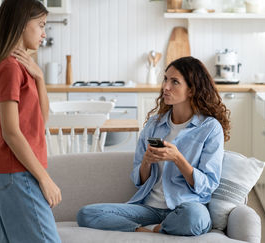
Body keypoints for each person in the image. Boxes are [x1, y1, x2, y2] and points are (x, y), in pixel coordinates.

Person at [77, 56, 230, 236]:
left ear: (191, 90)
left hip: (186, 207)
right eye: (165, 79)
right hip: (149, 208)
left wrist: (178, 159)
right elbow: (138, 180)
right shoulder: (154, 124)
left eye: (175, 82)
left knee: (195, 218)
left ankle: (159, 228)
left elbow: (209, 185)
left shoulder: (210, 128)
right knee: (86, 213)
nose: (165, 87)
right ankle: (144, 231)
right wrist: (146, 163)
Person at [0, 0, 61, 243]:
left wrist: (39, 78)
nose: (43, 33)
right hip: (17, 171)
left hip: (12, 171)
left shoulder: (18, 68)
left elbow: (41, 119)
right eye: (41, 25)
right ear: (22, 22)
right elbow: (11, 132)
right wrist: (45, 179)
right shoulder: (10, 68)